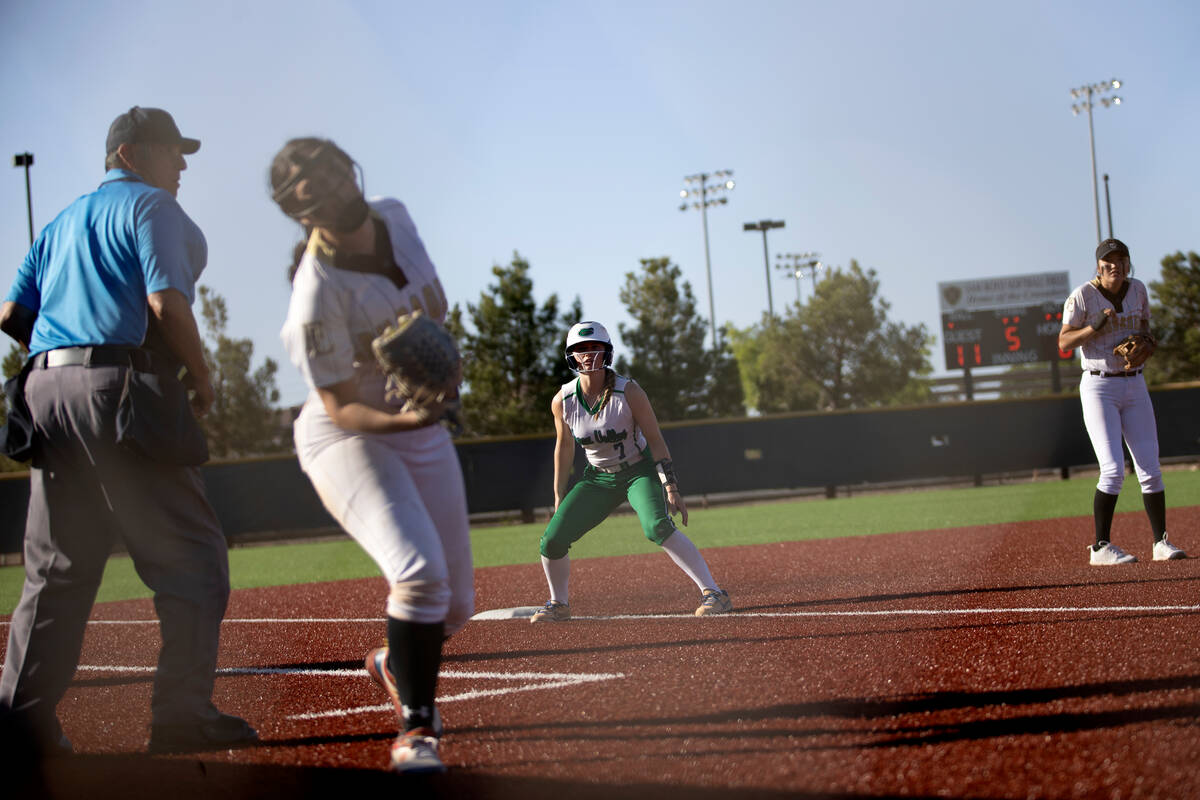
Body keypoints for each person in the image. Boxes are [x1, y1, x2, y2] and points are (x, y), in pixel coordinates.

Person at [0, 107, 257, 758]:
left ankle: (17, 728)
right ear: (132, 154)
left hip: (41, 387)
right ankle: (181, 716)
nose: (184, 164)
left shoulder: (61, 221)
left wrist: (63, 356)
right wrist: (201, 377)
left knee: (56, 571)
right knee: (193, 560)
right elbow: (165, 303)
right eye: (173, 151)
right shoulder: (151, 208)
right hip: (116, 386)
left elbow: (10, 312)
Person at [271, 138, 473, 774]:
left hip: (419, 428)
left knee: (457, 605)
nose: (334, 189)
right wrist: (410, 413)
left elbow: (433, 313)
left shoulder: (397, 215)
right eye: (314, 190)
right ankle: (417, 732)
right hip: (349, 437)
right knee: (418, 574)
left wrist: (442, 382)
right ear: (301, 215)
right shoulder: (315, 294)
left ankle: (395, 658)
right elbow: (337, 406)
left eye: (333, 171)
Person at [531, 321, 732, 622]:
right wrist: (559, 495)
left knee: (656, 527)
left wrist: (671, 488)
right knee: (552, 540)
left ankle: (714, 592)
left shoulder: (629, 391)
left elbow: (656, 441)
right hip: (598, 478)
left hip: (639, 470)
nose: (588, 355)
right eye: (581, 349)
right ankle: (558, 603)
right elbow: (564, 448)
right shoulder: (563, 400)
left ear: (607, 351)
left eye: (594, 347)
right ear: (571, 356)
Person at [1058, 238, 1186, 565]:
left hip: (1135, 383)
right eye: (1108, 261)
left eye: (1120, 259)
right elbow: (1064, 342)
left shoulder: (1139, 289)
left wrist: (1146, 342)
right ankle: (1100, 547)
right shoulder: (1083, 295)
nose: (1115, 265)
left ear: (1128, 263)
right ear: (1098, 267)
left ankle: (1160, 542)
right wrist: (1091, 327)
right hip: (1099, 386)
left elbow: (1144, 326)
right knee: (1113, 470)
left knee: (1151, 468)